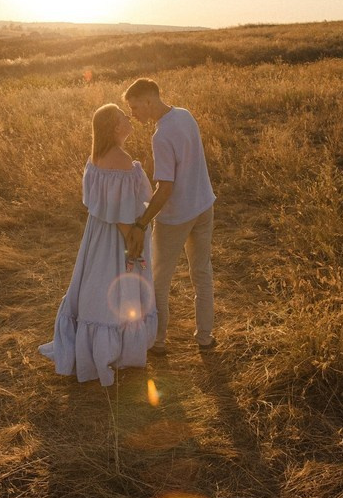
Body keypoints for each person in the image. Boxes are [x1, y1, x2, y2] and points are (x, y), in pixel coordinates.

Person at [38, 104, 158, 386]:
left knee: (96, 282)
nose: (129, 120)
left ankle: (93, 342)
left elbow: (99, 204)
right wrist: (132, 239)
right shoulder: (122, 160)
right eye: (123, 118)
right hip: (117, 236)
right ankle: (114, 348)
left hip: (97, 234)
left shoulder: (96, 158)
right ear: (116, 127)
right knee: (118, 284)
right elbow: (121, 211)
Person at [123, 78, 217, 352]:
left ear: (149, 101)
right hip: (203, 206)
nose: (133, 113)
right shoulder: (184, 115)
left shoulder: (161, 135)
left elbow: (165, 189)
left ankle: (158, 341)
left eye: (135, 107)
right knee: (201, 272)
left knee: (158, 279)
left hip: (177, 216)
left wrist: (142, 222)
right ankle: (205, 337)